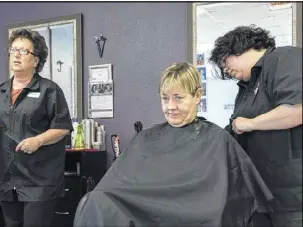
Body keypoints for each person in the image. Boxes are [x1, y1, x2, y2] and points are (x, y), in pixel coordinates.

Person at [73, 62, 274, 227]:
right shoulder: (146, 138)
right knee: (94, 202)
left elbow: (242, 197)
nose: (171, 107)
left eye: (178, 98)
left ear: (197, 96)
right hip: (147, 212)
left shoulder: (218, 139)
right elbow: (116, 189)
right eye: (165, 99)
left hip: (198, 215)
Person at [209, 25, 302, 227]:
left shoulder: (283, 58)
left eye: (225, 62)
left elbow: (298, 110)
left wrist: (251, 123)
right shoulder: (246, 88)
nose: (226, 70)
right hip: (260, 198)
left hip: (292, 200)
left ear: (240, 47)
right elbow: (234, 130)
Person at [0, 29, 73, 227]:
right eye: (13, 50)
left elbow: (63, 127)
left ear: (36, 60)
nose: (16, 55)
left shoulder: (49, 90)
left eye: (24, 51)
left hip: (38, 181)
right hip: (7, 179)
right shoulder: (1, 91)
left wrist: (38, 140)